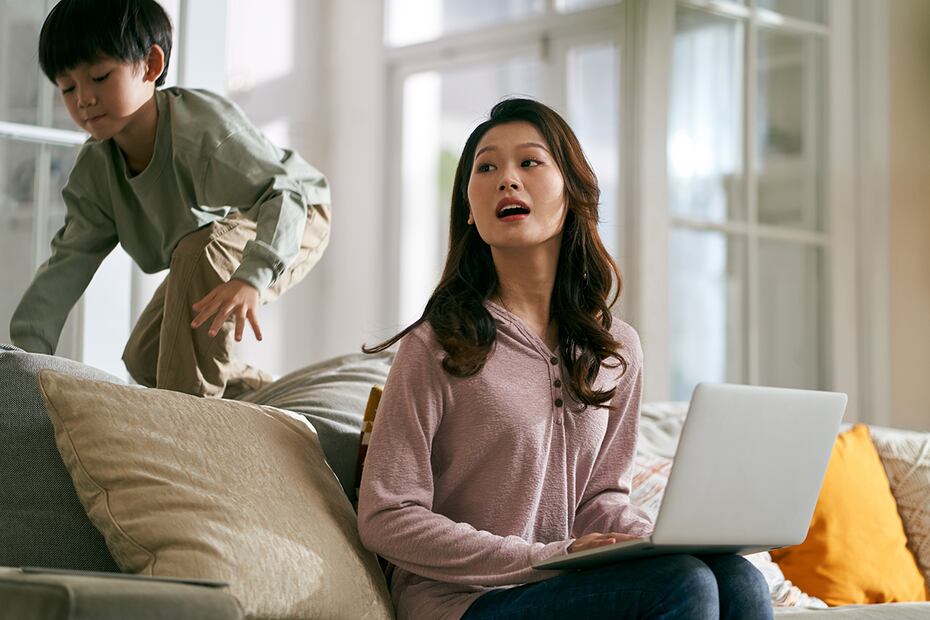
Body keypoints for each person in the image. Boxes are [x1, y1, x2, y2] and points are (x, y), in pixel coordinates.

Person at [357, 98, 772, 620]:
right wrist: (547, 557)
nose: (507, 179)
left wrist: (653, 540)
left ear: (572, 191)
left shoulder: (615, 351)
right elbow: (387, 516)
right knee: (681, 585)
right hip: (462, 603)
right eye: (486, 167)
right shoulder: (436, 344)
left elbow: (601, 498)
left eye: (529, 162)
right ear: (469, 206)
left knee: (738, 579)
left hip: (568, 588)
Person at [10, 0, 331, 398]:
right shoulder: (96, 171)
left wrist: (252, 275)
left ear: (151, 64)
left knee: (198, 253)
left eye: (99, 76)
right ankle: (265, 399)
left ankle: (188, 423)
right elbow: (66, 265)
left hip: (294, 213)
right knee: (147, 356)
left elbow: (283, 194)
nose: (84, 99)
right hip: (221, 236)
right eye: (68, 87)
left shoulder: (203, 132)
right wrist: (21, 357)